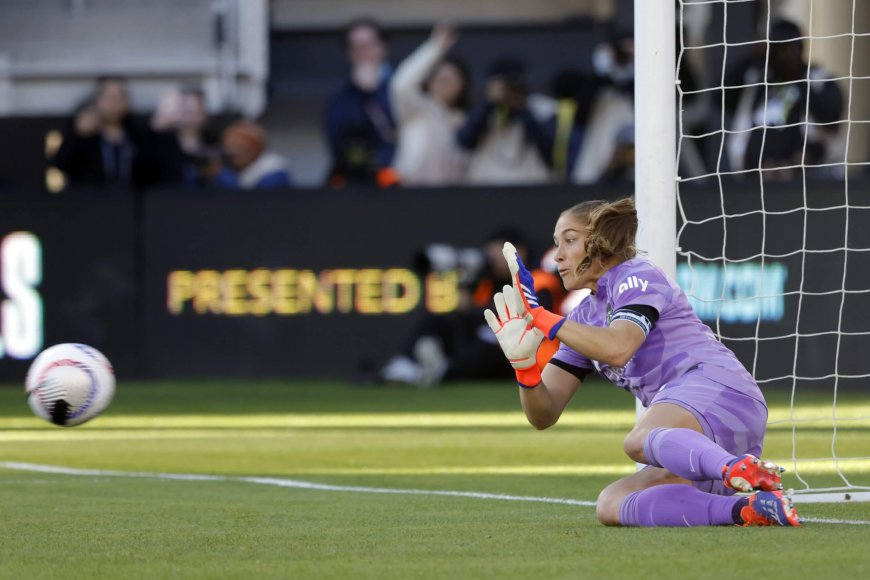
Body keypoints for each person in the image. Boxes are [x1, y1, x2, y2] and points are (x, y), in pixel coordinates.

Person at [484, 197, 800, 527]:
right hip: (695, 438)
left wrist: (544, 319)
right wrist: (524, 367)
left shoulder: (635, 275)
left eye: (569, 240)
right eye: (555, 243)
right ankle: (750, 509)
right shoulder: (585, 318)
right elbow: (544, 414)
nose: (558, 255)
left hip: (719, 388)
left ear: (599, 241)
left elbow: (618, 348)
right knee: (611, 505)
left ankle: (734, 468)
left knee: (638, 440)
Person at [726, 18, 843, 179]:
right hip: (756, 180)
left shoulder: (817, 77)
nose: (786, 56)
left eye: (791, 48)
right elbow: (720, 96)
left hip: (807, 179)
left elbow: (833, 118)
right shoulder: (758, 78)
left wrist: (800, 79)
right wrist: (753, 56)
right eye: (780, 49)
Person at [389, 23, 470, 186]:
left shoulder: (466, 121)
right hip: (413, 193)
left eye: (451, 80)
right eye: (440, 78)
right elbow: (401, 85)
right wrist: (435, 47)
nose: (445, 84)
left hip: (453, 198)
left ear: (462, 86)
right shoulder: (418, 109)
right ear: (429, 82)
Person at [50, 76, 158, 190]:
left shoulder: (136, 136)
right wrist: (76, 135)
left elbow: (153, 172)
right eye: (110, 97)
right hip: (92, 202)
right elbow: (59, 165)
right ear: (98, 100)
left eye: (120, 97)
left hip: (129, 202)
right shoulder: (84, 135)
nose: (115, 103)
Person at [324, 18, 397, 187]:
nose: (363, 53)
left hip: (396, 180)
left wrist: (374, 94)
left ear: (383, 47)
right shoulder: (340, 99)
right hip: (353, 182)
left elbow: (395, 133)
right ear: (349, 54)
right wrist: (363, 93)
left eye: (369, 45)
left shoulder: (400, 89)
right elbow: (339, 142)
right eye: (356, 48)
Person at [456, 57, 551, 185]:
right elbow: (464, 142)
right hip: (486, 189)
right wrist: (488, 104)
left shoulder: (541, 109)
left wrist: (523, 110)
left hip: (530, 189)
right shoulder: (483, 112)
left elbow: (551, 151)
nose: (509, 90)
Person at [150, 87, 221, 187]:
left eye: (194, 111)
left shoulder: (216, 143)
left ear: (205, 114)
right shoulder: (161, 144)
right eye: (185, 110)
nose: (188, 116)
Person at [213, 120, 292, 189]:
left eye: (240, 146)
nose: (233, 152)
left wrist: (224, 176)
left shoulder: (274, 171)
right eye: (229, 147)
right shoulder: (232, 167)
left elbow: (251, 201)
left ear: (257, 148)